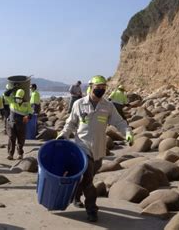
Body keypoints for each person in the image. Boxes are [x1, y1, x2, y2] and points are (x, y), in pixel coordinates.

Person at [57, 75, 133, 222]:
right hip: (82, 148)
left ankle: (76, 196)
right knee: (88, 179)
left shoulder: (108, 106)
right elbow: (70, 123)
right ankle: (92, 209)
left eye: (103, 88)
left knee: (87, 178)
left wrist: (128, 133)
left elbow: (120, 122)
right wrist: (63, 135)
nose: (100, 91)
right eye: (98, 88)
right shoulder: (79, 104)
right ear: (91, 87)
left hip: (98, 149)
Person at [4, 89, 33, 160]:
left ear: (22, 98)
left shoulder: (27, 104)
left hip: (21, 124)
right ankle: (10, 154)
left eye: (19, 98)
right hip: (11, 123)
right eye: (17, 98)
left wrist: (28, 116)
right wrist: (13, 88)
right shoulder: (12, 101)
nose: (18, 99)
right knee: (11, 138)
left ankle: (20, 153)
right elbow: (5, 94)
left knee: (21, 140)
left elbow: (30, 113)